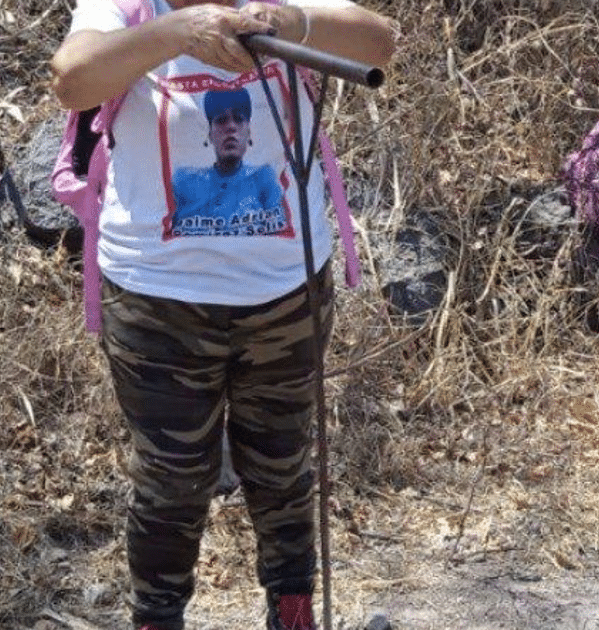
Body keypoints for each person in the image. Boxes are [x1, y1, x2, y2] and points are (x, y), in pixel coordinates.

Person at [50, 2, 397, 629]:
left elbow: (378, 43)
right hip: (157, 297)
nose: (232, 127)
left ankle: (293, 614)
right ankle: (157, 619)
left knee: (284, 468)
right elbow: (71, 79)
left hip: (286, 290)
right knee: (171, 483)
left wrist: (293, 23)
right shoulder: (131, 7)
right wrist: (173, 35)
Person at [170, 87, 286, 237]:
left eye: (238, 119)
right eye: (221, 120)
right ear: (210, 135)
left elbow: (279, 237)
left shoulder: (263, 178)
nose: (231, 127)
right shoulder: (183, 181)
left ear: (248, 133)